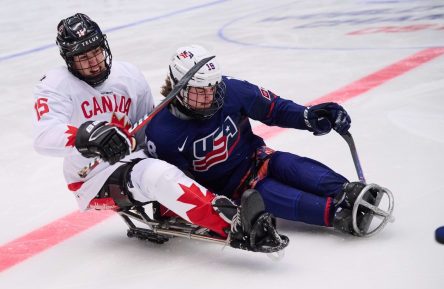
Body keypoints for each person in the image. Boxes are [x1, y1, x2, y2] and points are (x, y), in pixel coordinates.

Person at [32, 14, 288, 253]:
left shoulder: (129, 75)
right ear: (68, 59)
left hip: (133, 158)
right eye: (83, 57)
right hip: (92, 176)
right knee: (156, 175)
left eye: (97, 51)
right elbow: (44, 136)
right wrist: (89, 136)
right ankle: (236, 226)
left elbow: (147, 133)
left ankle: (181, 206)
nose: (94, 62)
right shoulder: (54, 84)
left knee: (182, 155)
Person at [144, 44, 386, 236]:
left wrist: (309, 116)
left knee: (292, 166)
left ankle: (347, 191)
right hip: (237, 191)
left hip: (258, 157)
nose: (209, 96)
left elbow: (273, 108)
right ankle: (338, 215)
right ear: (179, 87)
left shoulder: (230, 90)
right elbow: (175, 185)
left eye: (212, 87)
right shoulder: (162, 132)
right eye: (200, 90)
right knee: (280, 196)